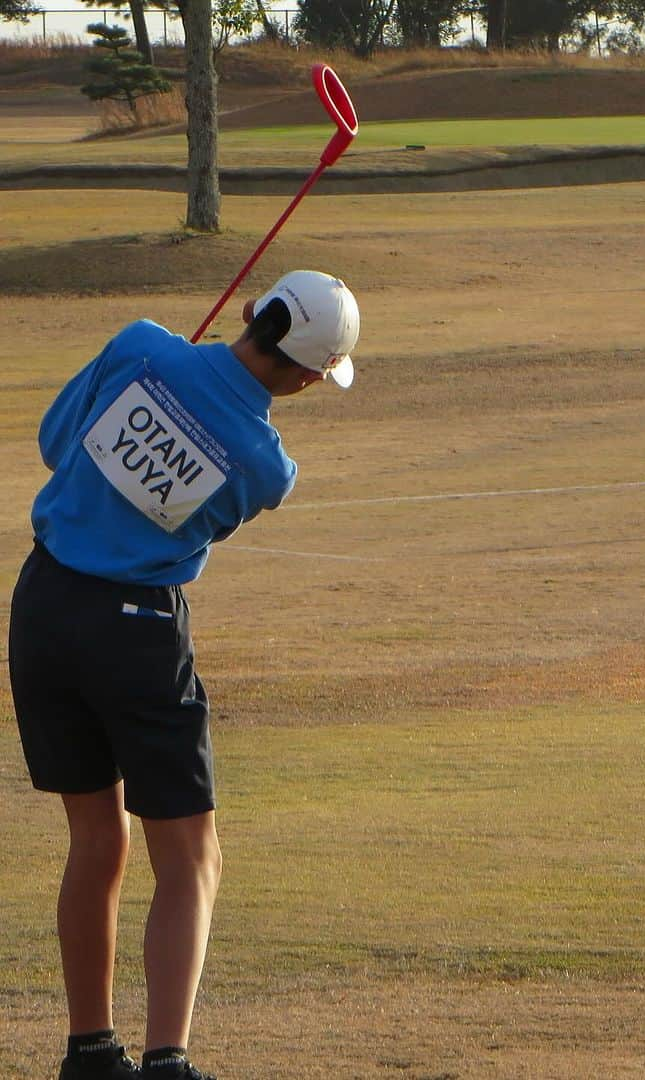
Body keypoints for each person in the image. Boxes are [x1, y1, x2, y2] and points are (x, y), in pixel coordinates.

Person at [8, 270, 361, 1080]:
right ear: (308, 376)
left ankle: (89, 1052)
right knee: (191, 854)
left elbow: (57, 446)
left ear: (250, 310)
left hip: (45, 606)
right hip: (136, 631)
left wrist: (158, 371)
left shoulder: (138, 345)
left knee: (95, 837)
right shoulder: (267, 469)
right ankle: (167, 1061)